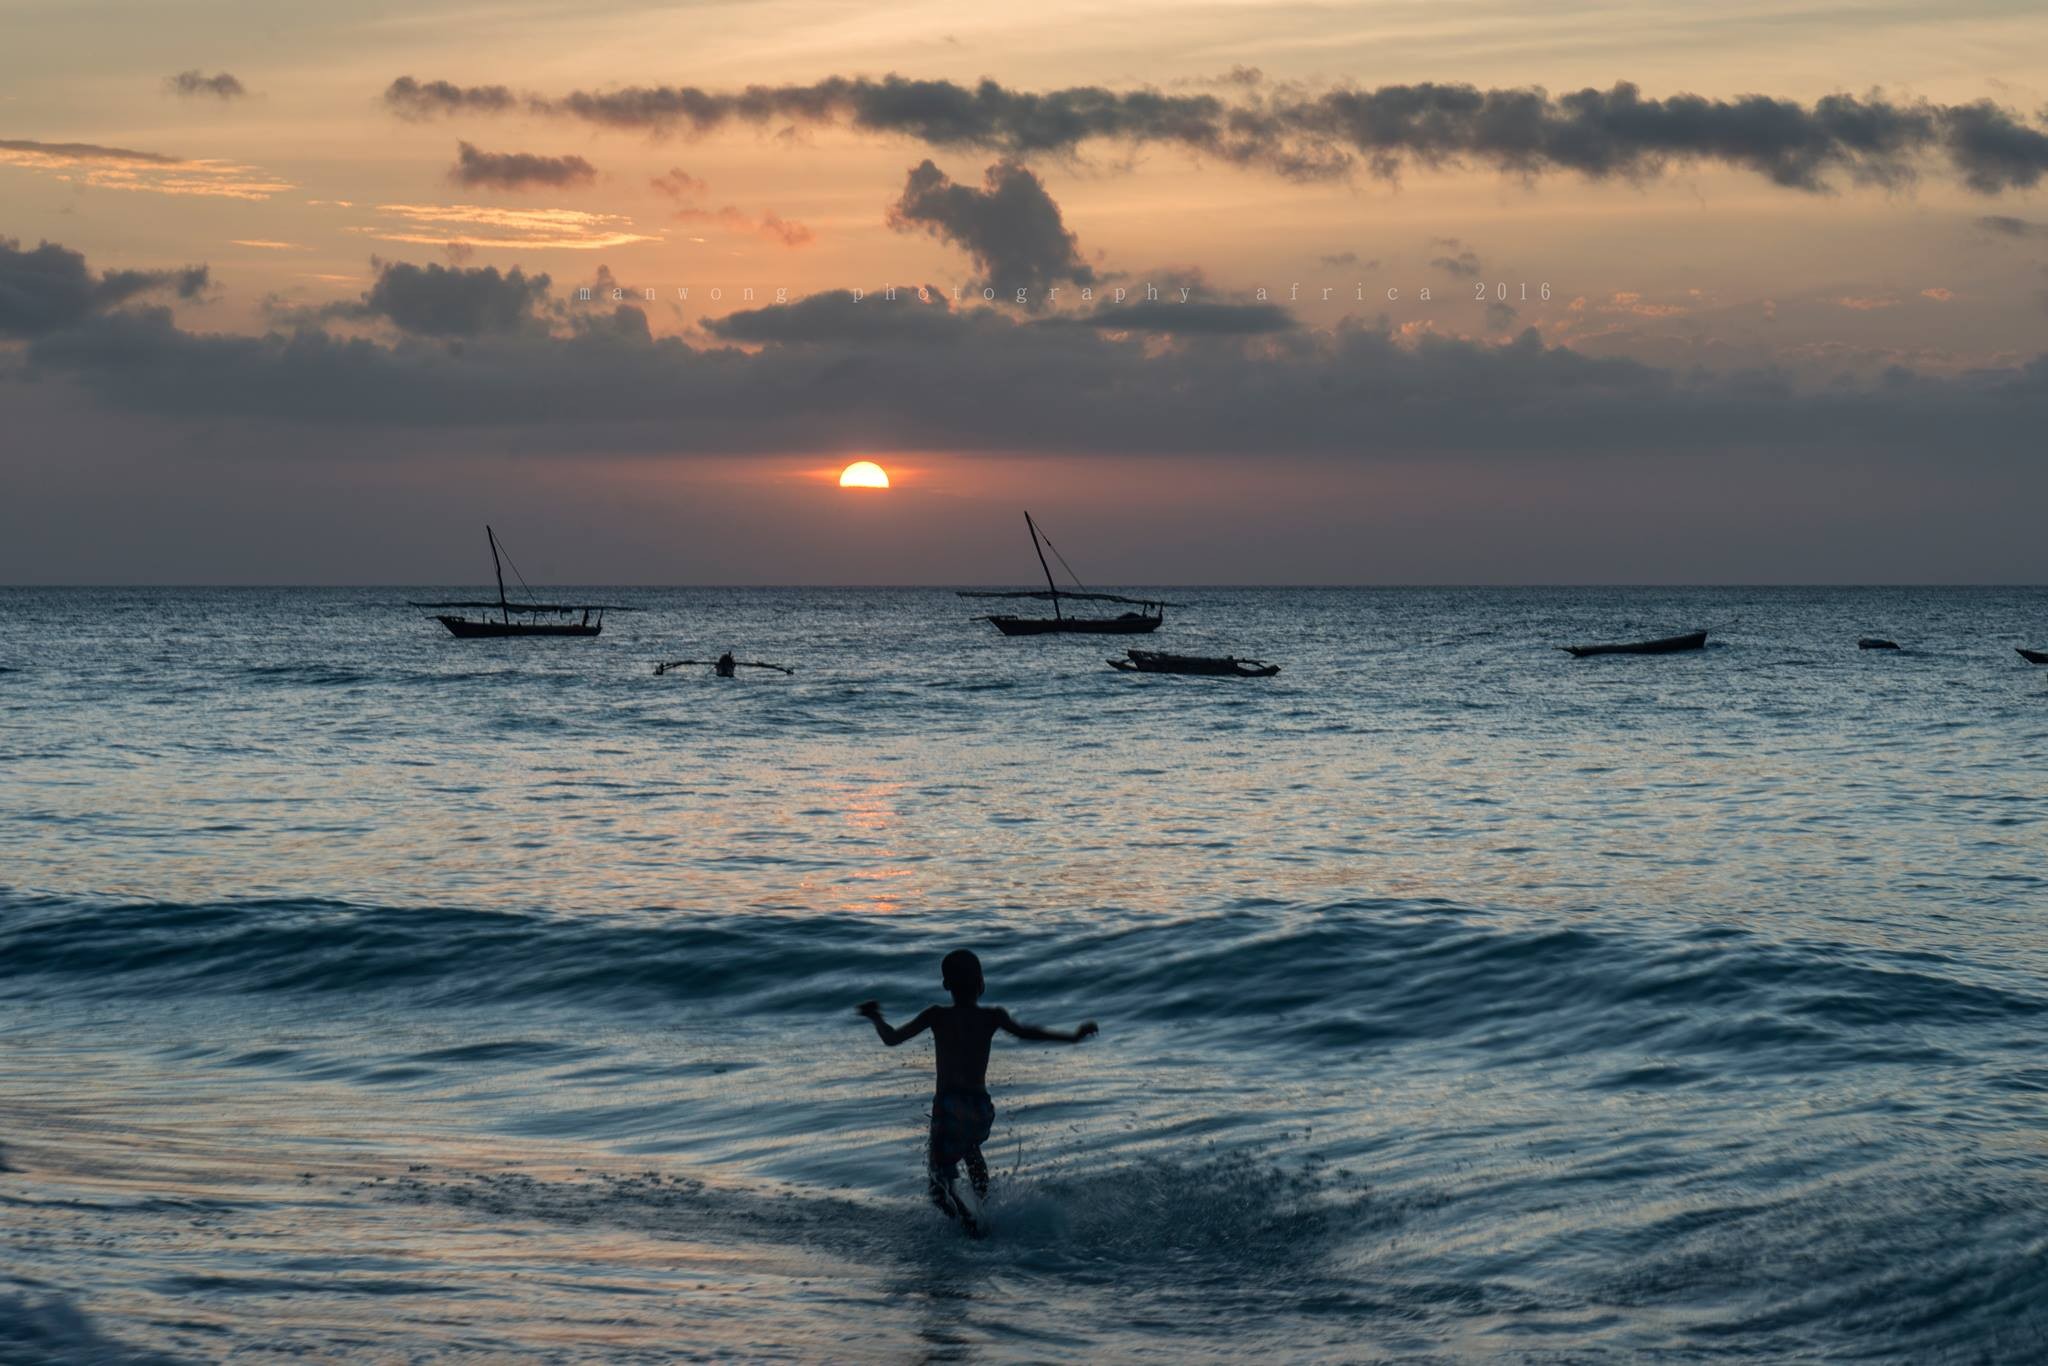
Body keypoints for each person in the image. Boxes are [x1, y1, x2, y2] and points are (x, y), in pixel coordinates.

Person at [857, 949, 1097, 1234]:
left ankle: (969, 1223)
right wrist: (1072, 1037)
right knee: (971, 1150)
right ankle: (985, 1210)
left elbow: (893, 1038)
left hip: (948, 1108)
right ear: (982, 983)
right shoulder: (992, 1017)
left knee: (938, 1188)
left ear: (946, 985)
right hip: (980, 1109)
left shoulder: (937, 1015)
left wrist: (875, 1017)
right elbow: (1027, 1033)